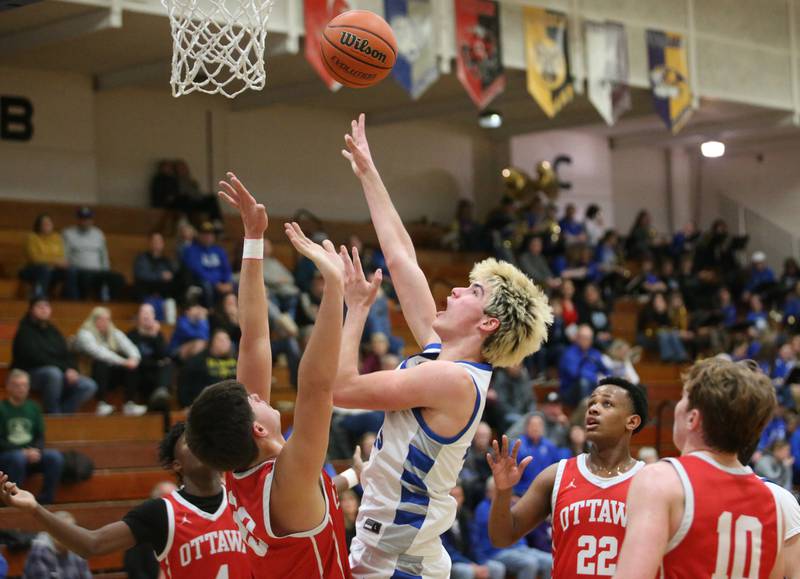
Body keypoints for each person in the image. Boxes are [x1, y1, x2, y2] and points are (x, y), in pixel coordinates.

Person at [337, 113, 552, 577]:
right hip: (391, 552)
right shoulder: (441, 356)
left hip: (399, 563)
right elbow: (400, 256)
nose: (454, 291)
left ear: (489, 323)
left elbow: (338, 388)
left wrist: (355, 310)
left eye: (472, 292)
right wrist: (369, 173)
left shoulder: (451, 380)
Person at [185, 174, 352, 576]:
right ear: (257, 430)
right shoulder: (289, 480)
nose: (257, 395)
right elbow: (315, 388)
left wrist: (253, 238)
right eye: (253, 402)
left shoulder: (242, 467)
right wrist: (333, 289)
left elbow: (255, 338)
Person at [0, 422, 252, 578]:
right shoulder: (162, 511)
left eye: (203, 441)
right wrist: (35, 509)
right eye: (190, 442)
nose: (200, 446)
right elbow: (92, 544)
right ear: (177, 464)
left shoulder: (240, 496)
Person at [615, 358, 783, 578]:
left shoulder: (661, 480)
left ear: (692, 418)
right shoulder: (774, 502)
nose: (677, 406)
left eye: (683, 398)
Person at [488, 377, 648, 578]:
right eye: (592, 403)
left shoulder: (649, 480)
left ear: (631, 421)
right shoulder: (556, 475)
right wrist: (503, 491)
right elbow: (502, 537)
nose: (594, 409)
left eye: (606, 403)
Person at [0, 370, 64, 505]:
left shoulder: (34, 407)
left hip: (30, 453)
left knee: (55, 457)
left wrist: (35, 450)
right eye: (17, 385)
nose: (21, 388)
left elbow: (40, 436)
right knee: (17, 457)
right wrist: (23, 452)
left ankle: (46, 500)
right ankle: (13, 499)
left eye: (24, 385)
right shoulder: (2, 408)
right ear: (9, 387)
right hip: (7, 455)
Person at [73, 306, 145, 417]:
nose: (105, 322)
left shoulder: (113, 332)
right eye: (101, 319)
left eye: (107, 319)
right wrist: (123, 361)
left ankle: (129, 404)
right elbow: (99, 353)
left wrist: (134, 358)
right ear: (94, 320)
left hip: (110, 374)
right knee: (102, 363)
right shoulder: (85, 334)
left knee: (132, 366)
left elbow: (129, 345)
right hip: (90, 372)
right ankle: (101, 403)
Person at [62, 206, 126, 301]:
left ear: (92, 220)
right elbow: (64, 254)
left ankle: (114, 304)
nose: (85, 221)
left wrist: (106, 270)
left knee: (117, 278)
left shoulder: (98, 234)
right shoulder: (68, 233)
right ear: (78, 219)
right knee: (84, 278)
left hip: (98, 271)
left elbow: (103, 255)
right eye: (83, 218)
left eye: (88, 219)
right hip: (80, 270)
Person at [18, 213, 78, 299]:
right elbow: (35, 258)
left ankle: (70, 299)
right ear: (38, 225)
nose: (48, 226)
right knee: (44, 269)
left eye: (49, 223)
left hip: (52, 269)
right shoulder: (31, 238)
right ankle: (39, 298)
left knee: (71, 270)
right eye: (45, 224)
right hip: (32, 269)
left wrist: (59, 262)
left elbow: (60, 255)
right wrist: (54, 261)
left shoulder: (57, 238)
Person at [126, 304, 173, 411]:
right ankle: (131, 402)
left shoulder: (157, 335)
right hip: (138, 373)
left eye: (149, 313)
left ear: (154, 316)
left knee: (168, 364)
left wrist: (154, 336)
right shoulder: (131, 335)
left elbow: (164, 355)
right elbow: (136, 358)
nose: (146, 316)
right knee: (133, 366)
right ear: (138, 317)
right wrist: (156, 363)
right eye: (144, 313)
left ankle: (161, 392)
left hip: (154, 374)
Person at [177, 329, 237, 408]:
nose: (224, 342)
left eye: (227, 339)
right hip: (205, 405)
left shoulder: (236, 360)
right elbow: (184, 384)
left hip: (231, 405)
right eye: (220, 340)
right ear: (212, 343)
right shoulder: (198, 361)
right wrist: (187, 404)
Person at [22, 511, 92, 578]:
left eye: (72, 532)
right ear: (53, 532)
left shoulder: (76, 550)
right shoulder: (39, 552)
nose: (70, 536)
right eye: (65, 531)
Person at [181, 221, 233, 308]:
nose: (208, 236)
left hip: (221, 282)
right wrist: (216, 283)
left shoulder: (219, 250)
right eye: (204, 234)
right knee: (207, 286)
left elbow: (226, 269)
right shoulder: (191, 250)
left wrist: (228, 282)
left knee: (236, 285)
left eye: (210, 234)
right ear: (199, 235)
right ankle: (210, 311)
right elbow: (198, 270)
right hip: (203, 282)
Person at [558, 325, 608, 406]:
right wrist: (596, 378)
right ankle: (585, 410)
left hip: (592, 385)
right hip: (570, 390)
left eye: (589, 338)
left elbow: (606, 370)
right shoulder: (569, 353)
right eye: (583, 338)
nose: (586, 340)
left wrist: (606, 378)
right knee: (583, 382)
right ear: (577, 338)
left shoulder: (595, 353)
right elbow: (575, 374)